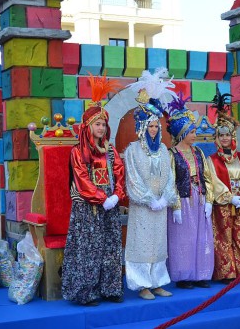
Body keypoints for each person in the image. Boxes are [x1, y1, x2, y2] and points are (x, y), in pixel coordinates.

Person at [61, 74, 125, 305]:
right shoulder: (77, 152)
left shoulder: (111, 150)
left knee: (111, 248)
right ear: (88, 127)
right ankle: (85, 292)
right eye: (97, 124)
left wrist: (117, 194)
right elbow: (81, 179)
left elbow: (119, 173)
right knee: (89, 250)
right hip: (89, 209)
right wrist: (100, 198)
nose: (101, 128)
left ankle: (110, 288)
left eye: (104, 124)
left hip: (111, 206)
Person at [123, 69, 178, 300]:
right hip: (143, 207)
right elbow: (133, 178)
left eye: (157, 126)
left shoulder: (164, 150)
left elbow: (170, 176)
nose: (154, 130)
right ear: (142, 128)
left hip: (160, 206)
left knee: (158, 244)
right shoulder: (132, 150)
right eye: (151, 126)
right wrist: (149, 199)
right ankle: (141, 284)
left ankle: (157, 281)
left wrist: (166, 198)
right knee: (142, 244)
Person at [207, 90, 240, 284]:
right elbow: (213, 181)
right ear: (217, 138)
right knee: (224, 239)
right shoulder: (212, 160)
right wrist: (230, 198)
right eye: (222, 135)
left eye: (228, 134)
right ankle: (227, 272)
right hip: (223, 207)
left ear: (233, 136)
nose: (225, 138)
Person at [166, 93, 214, 289]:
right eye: (191, 131)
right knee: (183, 238)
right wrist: (175, 205)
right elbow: (170, 181)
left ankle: (200, 274)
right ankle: (183, 275)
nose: (195, 135)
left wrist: (209, 199)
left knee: (202, 236)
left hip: (200, 198)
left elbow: (207, 177)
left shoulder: (199, 152)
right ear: (182, 133)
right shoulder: (172, 154)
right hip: (183, 201)